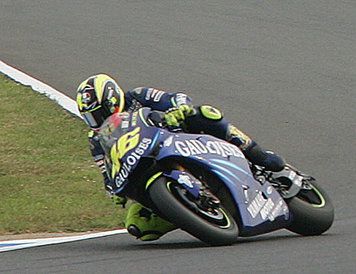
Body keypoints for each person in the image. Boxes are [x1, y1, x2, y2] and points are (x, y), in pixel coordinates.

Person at [75, 74, 296, 241]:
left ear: (112, 99)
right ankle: (193, 211)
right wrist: (113, 190)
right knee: (139, 226)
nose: (96, 120)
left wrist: (178, 109)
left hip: (178, 136)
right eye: (89, 117)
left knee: (205, 113)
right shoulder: (96, 138)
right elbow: (105, 168)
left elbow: (176, 98)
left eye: (97, 112)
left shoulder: (138, 96)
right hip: (146, 160)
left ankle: (257, 154)